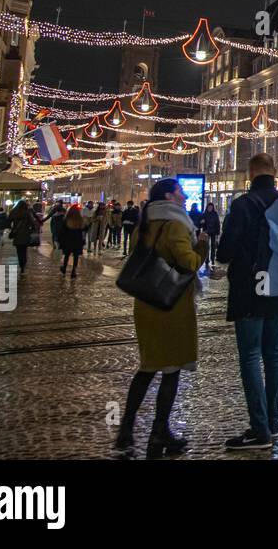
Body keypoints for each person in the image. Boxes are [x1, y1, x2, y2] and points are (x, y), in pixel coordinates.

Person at [112, 178, 209, 459]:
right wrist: (201, 246)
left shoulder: (146, 224)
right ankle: (159, 430)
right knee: (171, 369)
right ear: (169, 196)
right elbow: (188, 263)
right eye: (180, 192)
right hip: (172, 305)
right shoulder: (176, 224)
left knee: (147, 367)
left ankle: (126, 429)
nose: (183, 195)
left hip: (146, 303)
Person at [217, 153, 278, 450]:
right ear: (274, 172)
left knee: (251, 355)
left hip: (250, 290)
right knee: (274, 355)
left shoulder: (242, 205)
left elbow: (225, 252)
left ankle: (259, 429)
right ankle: (273, 424)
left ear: (249, 174)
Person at [6, 198, 39, 275]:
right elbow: (33, 223)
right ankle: (23, 266)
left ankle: (21, 264)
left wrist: (12, 229)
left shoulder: (13, 212)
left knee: (19, 251)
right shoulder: (27, 212)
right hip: (26, 234)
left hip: (17, 235)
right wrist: (31, 230)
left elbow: (8, 222)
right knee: (24, 250)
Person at [58, 204, 87, 277]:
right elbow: (84, 229)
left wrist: (60, 240)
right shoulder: (80, 220)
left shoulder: (66, 219)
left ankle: (64, 268)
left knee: (67, 255)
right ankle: (73, 271)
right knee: (76, 256)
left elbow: (62, 231)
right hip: (77, 240)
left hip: (68, 240)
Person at [202, 201, 221, 270]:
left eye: (211, 207)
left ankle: (212, 259)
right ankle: (207, 260)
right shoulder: (205, 214)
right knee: (207, 246)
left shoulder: (215, 214)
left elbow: (218, 223)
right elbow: (202, 223)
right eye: (209, 207)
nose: (210, 208)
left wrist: (218, 232)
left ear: (213, 208)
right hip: (206, 232)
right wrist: (202, 223)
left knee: (213, 247)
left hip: (213, 232)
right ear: (207, 208)